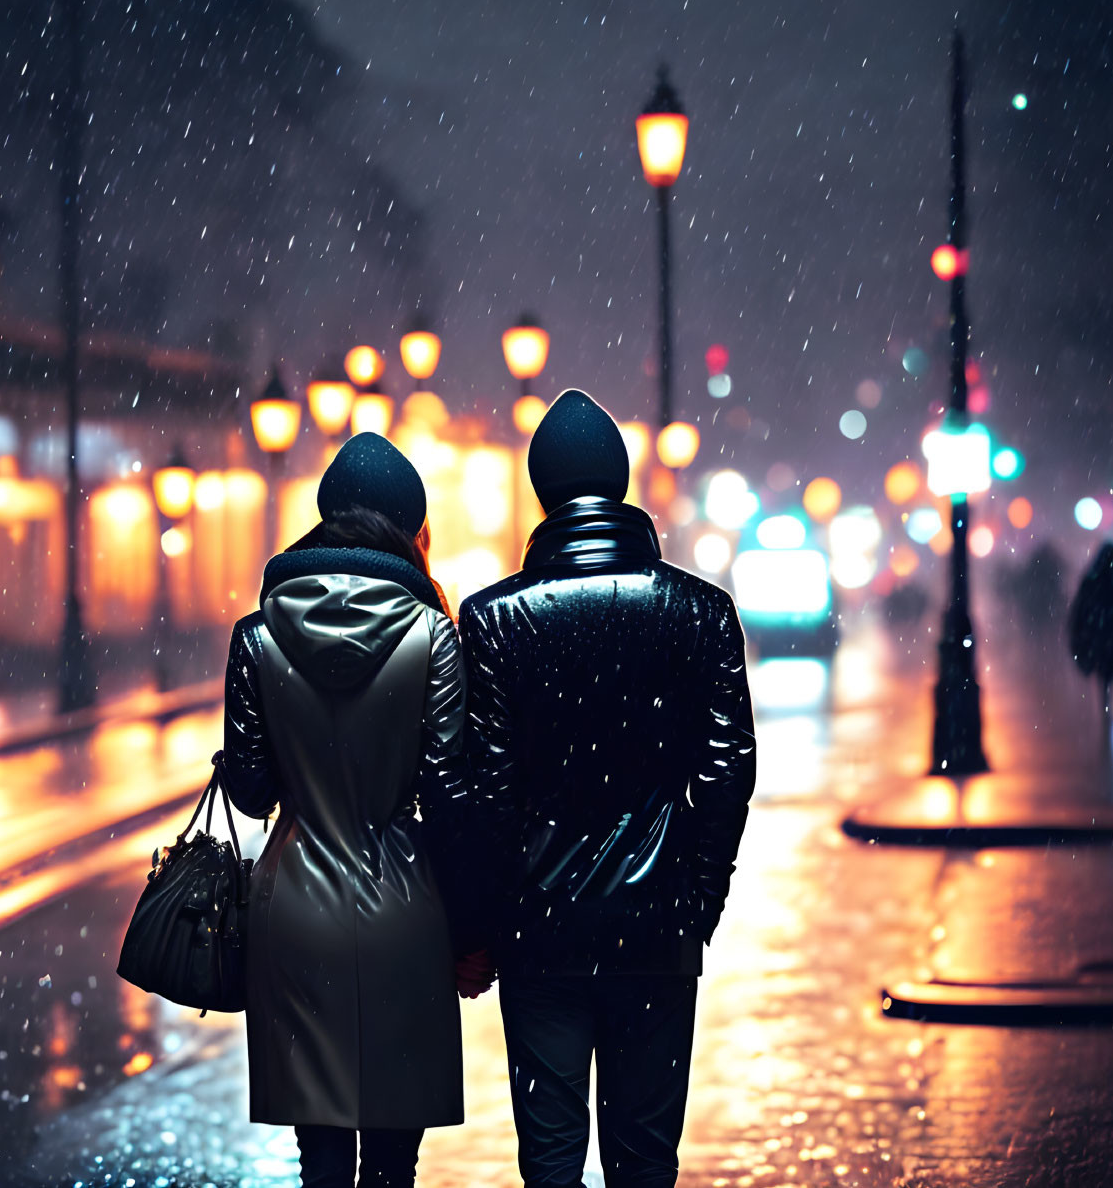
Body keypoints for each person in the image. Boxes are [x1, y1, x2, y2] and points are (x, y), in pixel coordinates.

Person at [459, 389, 756, 1188]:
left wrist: (483, 925)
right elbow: (728, 770)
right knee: (645, 1159)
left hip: (539, 936)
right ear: (620, 484)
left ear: (541, 490)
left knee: (550, 1163)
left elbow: (482, 793)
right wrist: (696, 897)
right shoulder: (699, 612)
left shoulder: (493, 620)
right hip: (656, 933)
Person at [213, 432, 487, 1188]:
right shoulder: (433, 634)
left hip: (293, 915)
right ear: (410, 528)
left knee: (320, 1158)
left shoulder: (257, 637)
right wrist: (473, 931)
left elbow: (252, 793)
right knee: (393, 1164)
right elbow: (449, 794)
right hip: (407, 911)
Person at [1067, 541, 1113, 720]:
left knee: (1105, 677)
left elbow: (1080, 611)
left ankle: (1106, 711)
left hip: (1103, 640)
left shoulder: (1092, 579)